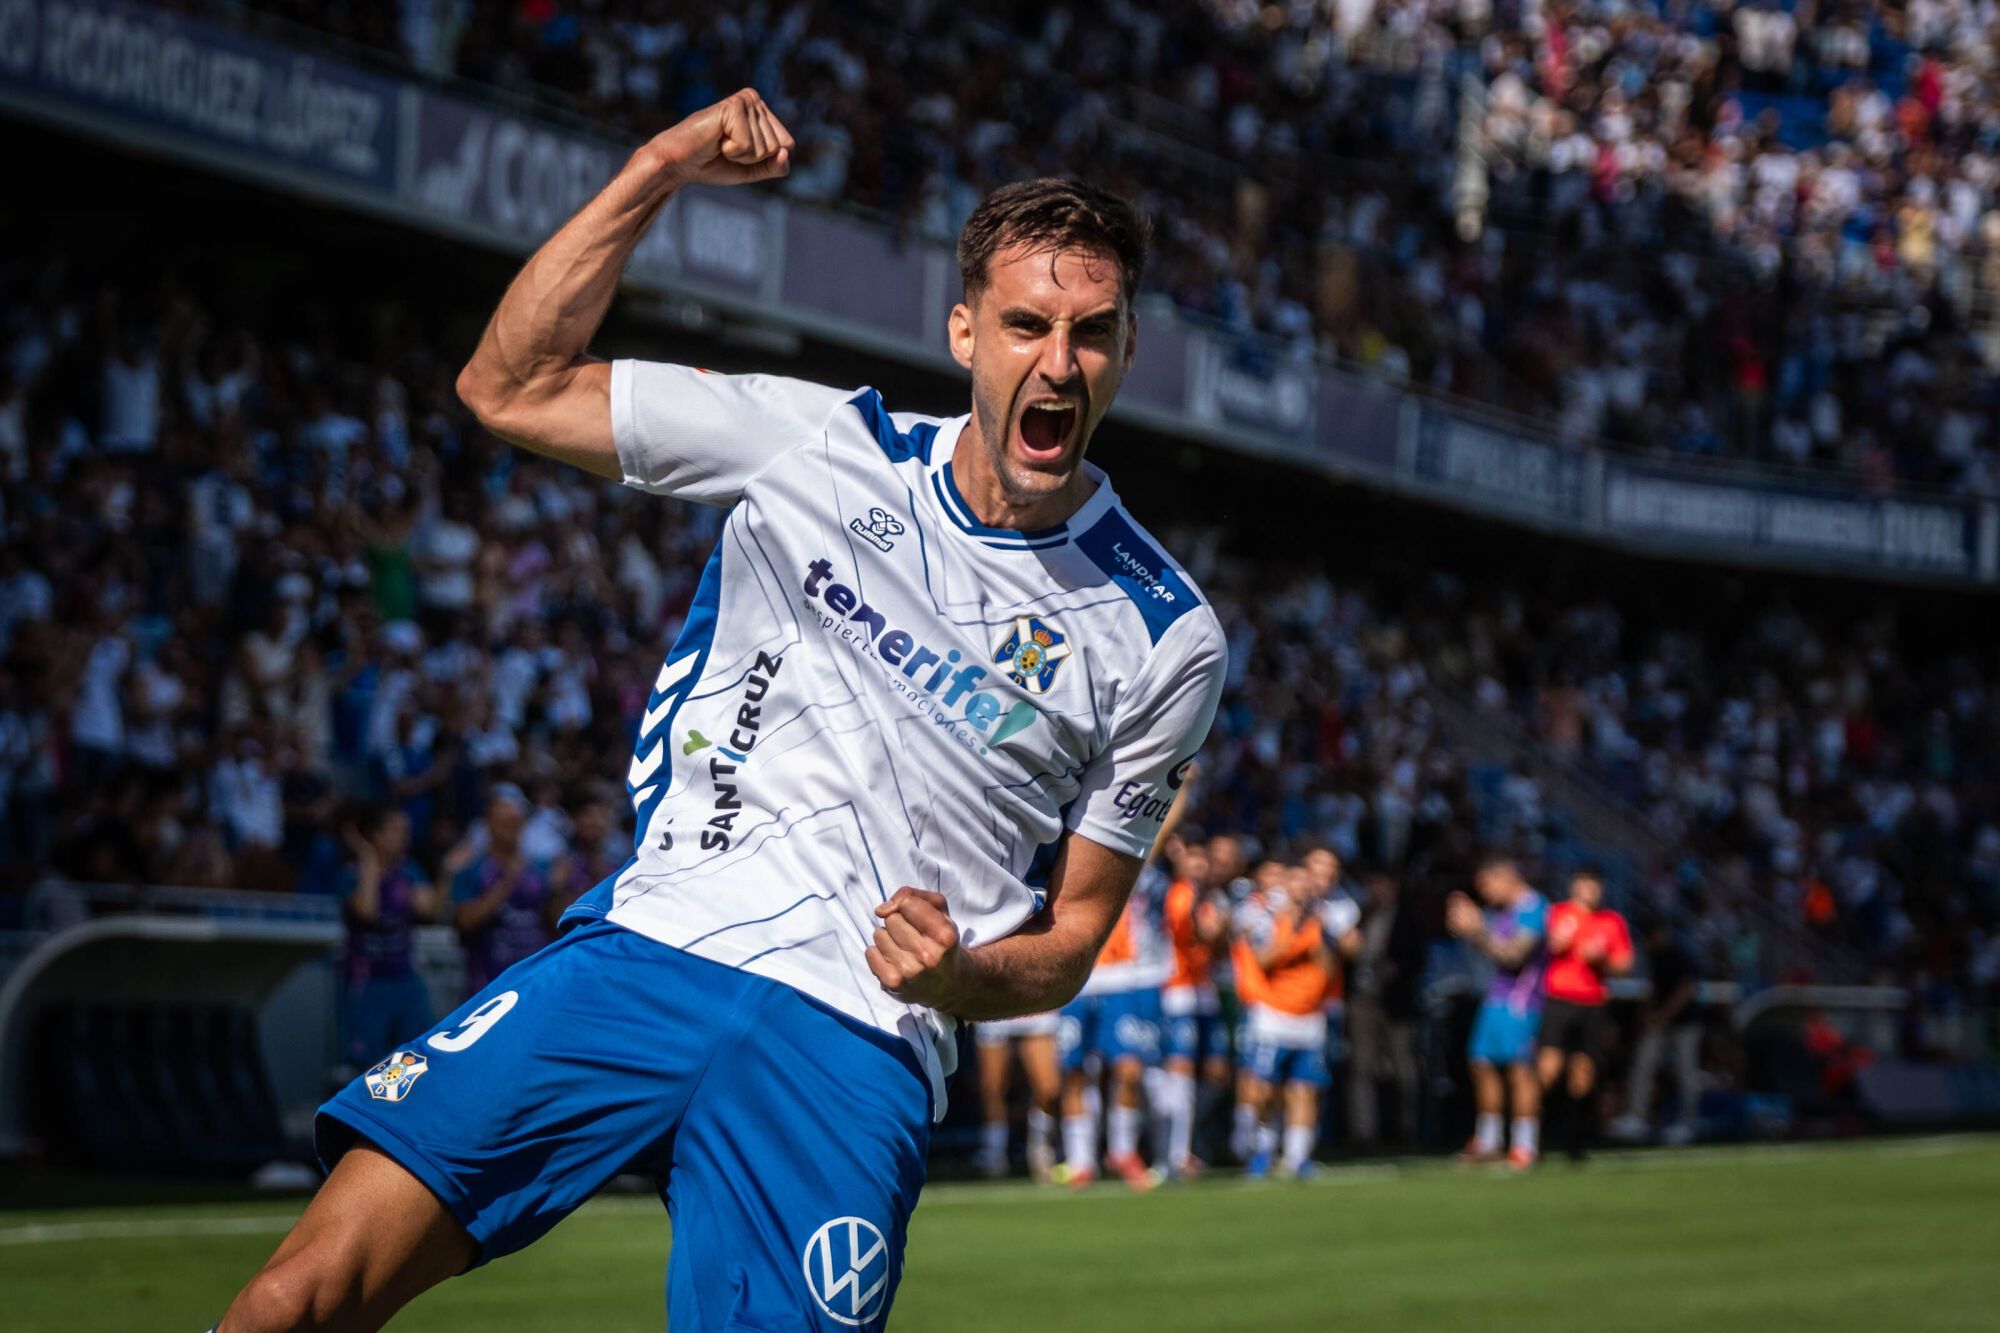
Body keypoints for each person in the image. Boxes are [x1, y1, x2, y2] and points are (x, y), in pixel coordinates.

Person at [217, 89, 1226, 1332]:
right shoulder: (817, 446)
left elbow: (1072, 937)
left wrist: (964, 978)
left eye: (1091, 332)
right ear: (965, 331)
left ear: (1126, 351)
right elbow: (509, 385)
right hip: (656, 947)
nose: (1055, 362)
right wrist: (658, 164)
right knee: (292, 1300)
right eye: (1025, 324)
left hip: (859, 1041)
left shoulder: (1164, 631)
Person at [1448, 854, 1549, 1170]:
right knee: (1481, 1065)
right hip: (1495, 999)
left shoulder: (1533, 908)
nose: (1485, 892)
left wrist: (1477, 930)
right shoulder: (1503, 911)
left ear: (1506, 877)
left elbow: (1514, 955)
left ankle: (1524, 1144)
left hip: (1522, 1002)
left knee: (1520, 1072)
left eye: (1487, 884)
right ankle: (1488, 1140)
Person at [1237, 863, 1336, 1178]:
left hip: (1310, 1015)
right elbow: (1262, 959)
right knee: (1263, 1089)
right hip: (1272, 1014)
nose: (1302, 889)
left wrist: (1316, 936)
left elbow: (1331, 968)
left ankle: (1297, 1157)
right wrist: (1291, 932)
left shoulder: (1322, 920)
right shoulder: (1266, 918)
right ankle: (1262, 1147)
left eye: (1307, 883)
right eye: (1297, 881)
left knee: (1304, 1089)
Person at [1535, 869, 1633, 1160]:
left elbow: (1624, 963)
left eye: (1594, 887)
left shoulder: (1610, 921)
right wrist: (1556, 944)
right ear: (1574, 886)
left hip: (1592, 1003)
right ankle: (1532, 1132)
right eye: (1583, 885)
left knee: (1583, 1071)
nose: (1589, 892)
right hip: (1558, 999)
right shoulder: (1557, 914)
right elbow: (1540, 950)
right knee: (1548, 1068)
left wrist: (1602, 959)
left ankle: (1574, 1139)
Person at [337, 806, 440, 1070]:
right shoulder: (350, 873)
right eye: (396, 830)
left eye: (406, 831)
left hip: (404, 975)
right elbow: (367, 910)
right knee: (367, 1065)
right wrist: (369, 861)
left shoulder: (409, 871)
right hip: (367, 980)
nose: (404, 837)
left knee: (414, 1058)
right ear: (376, 835)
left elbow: (429, 909)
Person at [1159, 835, 1229, 1175]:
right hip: (1179, 991)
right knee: (1180, 1072)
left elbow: (1217, 946)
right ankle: (1176, 1152)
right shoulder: (1179, 895)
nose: (1200, 866)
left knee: (1217, 1072)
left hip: (1205, 990)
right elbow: (1200, 935)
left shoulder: (1209, 898)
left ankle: (1189, 1139)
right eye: (1193, 859)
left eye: (1204, 860)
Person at [1345, 870, 1426, 1151]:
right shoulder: (1361, 916)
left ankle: (1406, 1130)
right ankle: (1364, 1134)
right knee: (1362, 1067)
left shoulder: (1408, 919)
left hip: (1396, 1003)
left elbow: (1418, 958)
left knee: (1403, 1069)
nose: (1377, 891)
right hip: (1363, 1000)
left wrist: (1398, 970)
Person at [448, 784, 552, 999]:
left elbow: (552, 921)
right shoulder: (471, 870)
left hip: (534, 982)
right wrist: (507, 882)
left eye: (515, 821)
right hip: (486, 984)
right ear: (488, 823)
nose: (509, 827)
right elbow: (464, 922)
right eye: (503, 821)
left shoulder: (540, 870)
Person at [1612, 918, 1705, 1145]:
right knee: (1643, 1063)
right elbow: (1654, 988)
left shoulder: (1681, 955)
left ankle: (1687, 1123)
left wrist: (1662, 1016)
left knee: (1686, 1072)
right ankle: (1636, 1117)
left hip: (1684, 1023)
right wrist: (1649, 1013)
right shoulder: (1655, 957)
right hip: (1660, 1021)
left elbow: (1685, 991)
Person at [971, 1008, 1062, 1181]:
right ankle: (993, 1153)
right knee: (992, 1087)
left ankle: (1040, 1147)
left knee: (1049, 1089)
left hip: (1036, 1005)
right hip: (996, 1005)